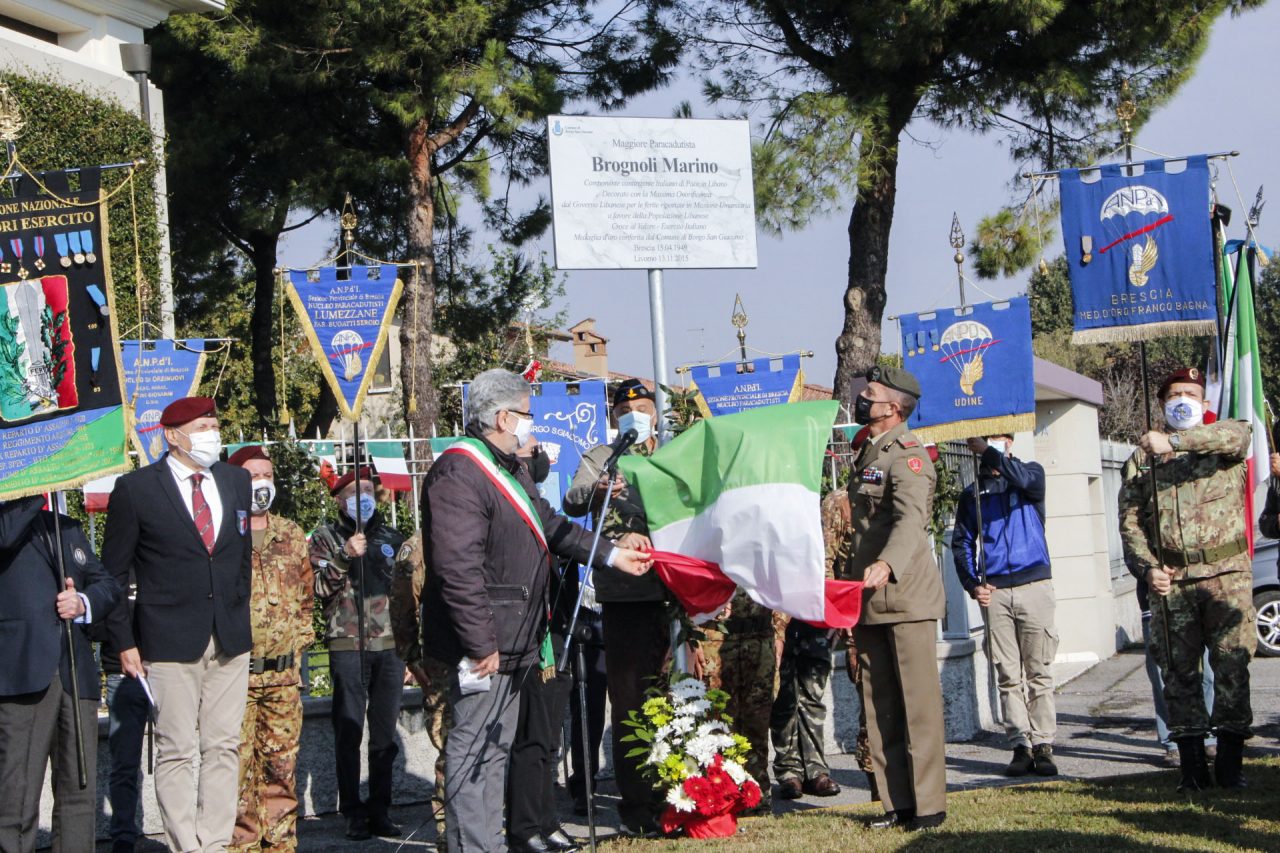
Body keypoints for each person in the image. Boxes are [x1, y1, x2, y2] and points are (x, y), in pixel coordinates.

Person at [421, 368, 653, 853]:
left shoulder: (510, 466)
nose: (533, 425)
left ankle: (490, 844)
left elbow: (551, 525)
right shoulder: (460, 472)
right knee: (474, 751)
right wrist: (479, 642)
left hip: (519, 637)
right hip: (487, 642)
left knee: (495, 749)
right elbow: (456, 569)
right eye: (527, 415)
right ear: (504, 417)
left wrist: (610, 552)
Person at [102, 396, 253, 853]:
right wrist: (124, 642)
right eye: (203, 425)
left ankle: (215, 842)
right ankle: (186, 845)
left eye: (215, 423)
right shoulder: (136, 489)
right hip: (167, 639)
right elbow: (114, 573)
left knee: (224, 746)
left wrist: (236, 608)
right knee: (176, 749)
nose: (213, 432)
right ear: (172, 435)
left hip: (228, 636)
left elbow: (241, 558)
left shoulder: (235, 480)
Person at [1119, 366, 1256, 791]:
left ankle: (1231, 769)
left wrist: (1174, 441)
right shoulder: (1143, 459)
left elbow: (1239, 436)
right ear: (1162, 403)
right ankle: (1192, 769)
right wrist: (1147, 568)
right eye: (1175, 393)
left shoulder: (1224, 440)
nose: (1184, 400)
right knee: (1178, 673)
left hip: (1226, 576)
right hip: (1173, 582)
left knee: (1232, 667)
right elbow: (1131, 523)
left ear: (1204, 402)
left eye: (1192, 393)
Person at [562, 377, 669, 835]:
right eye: (626, 411)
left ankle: (677, 794)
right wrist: (597, 490)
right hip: (624, 597)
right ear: (613, 418)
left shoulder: (670, 455)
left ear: (657, 415)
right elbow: (571, 501)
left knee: (672, 700)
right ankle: (638, 808)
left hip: (673, 594)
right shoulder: (601, 459)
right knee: (630, 704)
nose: (635, 416)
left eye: (643, 408)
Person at [845, 365, 946, 831]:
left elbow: (911, 519)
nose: (862, 396)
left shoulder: (907, 454)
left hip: (905, 596)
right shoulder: (868, 450)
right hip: (869, 599)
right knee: (879, 705)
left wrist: (888, 563)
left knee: (917, 707)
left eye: (872, 392)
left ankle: (928, 808)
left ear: (894, 406)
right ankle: (897, 805)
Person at [0, 495, 121, 852]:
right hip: (23, 672)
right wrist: (33, 490)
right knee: (16, 797)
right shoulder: (11, 520)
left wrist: (83, 602)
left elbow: (106, 584)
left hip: (74, 670)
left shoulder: (67, 528)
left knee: (78, 792)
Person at [951, 433, 1059, 778]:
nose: (993, 442)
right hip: (996, 590)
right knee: (1007, 673)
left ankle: (1044, 744)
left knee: (1038, 670)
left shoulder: (1030, 474)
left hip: (1034, 585)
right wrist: (973, 584)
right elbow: (962, 543)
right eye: (987, 437)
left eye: (999, 437)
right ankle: (1020, 745)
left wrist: (988, 451)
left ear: (1009, 441)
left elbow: (1025, 480)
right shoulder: (973, 495)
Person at [311, 465, 409, 840]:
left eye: (368, 489)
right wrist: (344, 557)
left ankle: (380, 809)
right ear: (339, 500)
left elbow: (405, 593)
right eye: (354, 492)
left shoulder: (391, 537)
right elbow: (319, 589)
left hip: (388, 646)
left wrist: (409, 647)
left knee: (384, 734)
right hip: (347, 644)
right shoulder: (323, 538)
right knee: (348, 730)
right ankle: (352, 810)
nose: (363, 497)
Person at [226, 445, 314, 851]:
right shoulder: (223, 533)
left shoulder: (292, 534)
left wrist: (297, 651)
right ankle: (242, 845)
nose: (262, 482)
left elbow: (307, 601)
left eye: (267, 474)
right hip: (235, 677)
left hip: (282, 679)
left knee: (281, 770)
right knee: (236, 773)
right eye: (252, 474)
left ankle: (281, 846)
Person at [771, 489, 850, 801]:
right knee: (784, 697)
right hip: (780, 611)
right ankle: (788, 771)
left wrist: (838, 612)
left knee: (813, 694)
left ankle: (816, 770)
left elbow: (836, 560)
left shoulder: (825, 503)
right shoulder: (775, 506)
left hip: (816, 612)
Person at [389, 529, 453, 849]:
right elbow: (403, 604)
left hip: (486, 660)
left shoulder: (478, 525)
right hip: (442, 667)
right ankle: (449, 835)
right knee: (452, 749)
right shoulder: (420, 545)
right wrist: (412, 657)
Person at [697, 590, 781, 814]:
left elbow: (780, 577)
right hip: (714, 636)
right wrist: (690, 633)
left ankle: (756, 801)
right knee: (717, 726)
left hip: (760, 636)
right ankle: (719, 803)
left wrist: (780, 632)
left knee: (757, 724)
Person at [1135, 573, 1216, 767]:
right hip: (1158, 601)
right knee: (1163, 678)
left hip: (1198, 598)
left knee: (1207, 675)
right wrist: (1149, 571)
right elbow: (1133, 556)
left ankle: (1209, 738)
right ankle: (1172, 743)